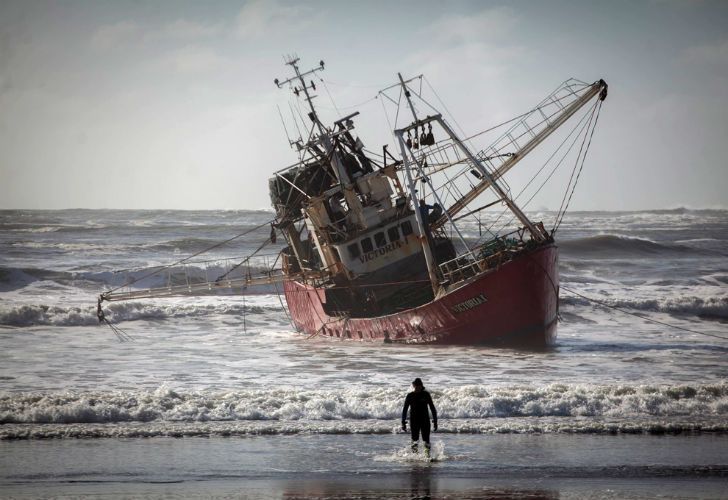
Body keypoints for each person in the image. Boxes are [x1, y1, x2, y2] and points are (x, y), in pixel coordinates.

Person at [401, 378, 438, 456]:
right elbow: (405, 409)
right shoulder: (410, 395)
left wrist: (435, 421)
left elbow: (432, 407)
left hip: (425, 420)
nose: (417, 387)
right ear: (413, 385)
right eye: (416, 385)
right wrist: (403, 422)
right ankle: (415, 456)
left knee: (426, 440)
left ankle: (427, 455)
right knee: (414, 440)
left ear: (421, 386)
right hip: (414, 420)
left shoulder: (426, 394)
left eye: (419, 385)